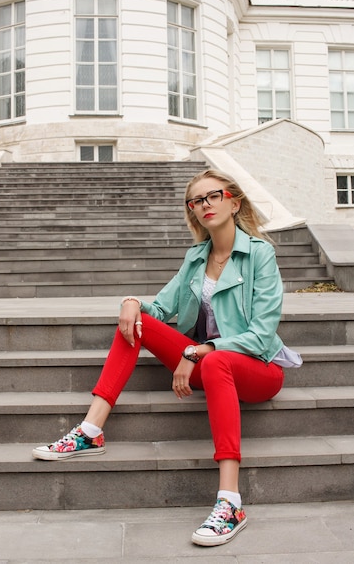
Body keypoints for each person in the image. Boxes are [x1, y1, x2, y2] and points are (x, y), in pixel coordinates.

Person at [32, 168, 302, 547]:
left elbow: (261, 334)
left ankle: (230, 502)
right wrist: (130, 303)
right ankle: (91, 431)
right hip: (203, 364)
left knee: (218, 360)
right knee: (135, 321)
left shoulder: (260, 255)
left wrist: (200, 349)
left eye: (213, 196)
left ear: (234, 201)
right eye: (196, 201)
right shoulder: (196, 258)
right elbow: (160, 308)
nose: (204, 205)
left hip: (257, 368)